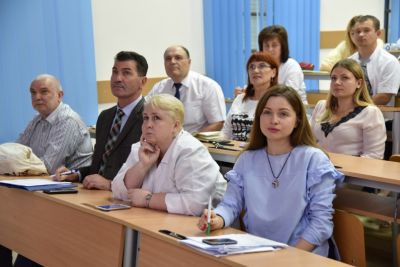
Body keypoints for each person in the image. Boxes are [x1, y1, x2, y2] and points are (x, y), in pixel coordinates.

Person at [198, 85, 343, 257]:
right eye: (267, 112)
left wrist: (288, 256)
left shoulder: (314, 159)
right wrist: (217, 219)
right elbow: (230, 205)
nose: (273, 120)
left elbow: (320, 224)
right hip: (257, 250)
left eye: (283, 114)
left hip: (302, 254)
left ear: (297, 120)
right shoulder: (247, 159)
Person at [112, 94, 227, 216]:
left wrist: (149, 199)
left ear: (175, 126)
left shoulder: (190, 151)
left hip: (204, 226)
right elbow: (117, 191)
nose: (148, 124)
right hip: (159, 218)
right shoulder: (140, 148)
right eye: (146, 118)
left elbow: (196, 204)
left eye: (156, 118)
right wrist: (142, 166)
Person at [54, 51, 148, 190]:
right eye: (115, 72)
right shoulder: (105, 116)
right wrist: (76, 173)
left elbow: (151, 173)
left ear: (143, 81)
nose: (118, 78)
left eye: (126, 73)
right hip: (96, 195)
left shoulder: (149, 118)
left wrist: (110, 185)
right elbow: (100, 166)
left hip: (127, 198)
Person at [16, 74, 92, 174]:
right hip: (44, 183)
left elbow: (48, 167)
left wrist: (16, 165)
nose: (37, 97)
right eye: (33, 93)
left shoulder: (68, 121)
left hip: (74, 185)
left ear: (59, 96)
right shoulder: (37, 119)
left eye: (44, 92)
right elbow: (16, 151)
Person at [311, 58, 386, 159]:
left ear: (358, 83)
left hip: (351, 172)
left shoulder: (371, 113)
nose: (337, 82)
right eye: (333, 78)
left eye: (344, 78)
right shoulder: (321, 106)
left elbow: (374, 156)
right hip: (318, 169)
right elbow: (309, 141)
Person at [147, 45, 226, 134]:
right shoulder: (159, 88)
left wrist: (189, 142)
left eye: (178, 58)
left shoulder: (208, 86)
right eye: (168, 59)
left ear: (189, 62)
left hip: (198, 142)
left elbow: (218, 123)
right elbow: (146, 116)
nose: (172, 62)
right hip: (164, 143)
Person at [235, 25, 308, 105]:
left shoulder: (292, 66)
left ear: (282, 47)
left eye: (274, 45)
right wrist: (243, 92)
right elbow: (254, 87)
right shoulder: (259, 65)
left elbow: (287, 96)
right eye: (266, 45)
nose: (270, 49)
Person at [221, 52, 278, 141]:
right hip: (233, 151)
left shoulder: (277, 101)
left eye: (262, 66)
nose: (255, 70)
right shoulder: (240, 99)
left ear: (273, 72)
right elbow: (226, 132)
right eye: (252, 67)